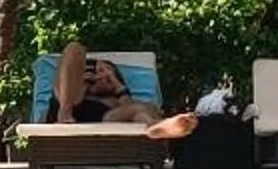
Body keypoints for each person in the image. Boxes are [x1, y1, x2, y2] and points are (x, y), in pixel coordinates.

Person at [50, 35, 199, 139]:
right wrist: (84, 82)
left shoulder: (113, 101)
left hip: (103, 120)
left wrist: (119, 88)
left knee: (143, 108)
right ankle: (65, 112)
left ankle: (155, 127)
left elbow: (132, 108)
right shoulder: (65, 89)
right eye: (100, 70)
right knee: (74, 47)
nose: (103, 75)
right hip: (66, 108)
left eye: (110, 74)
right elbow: (72, 56)